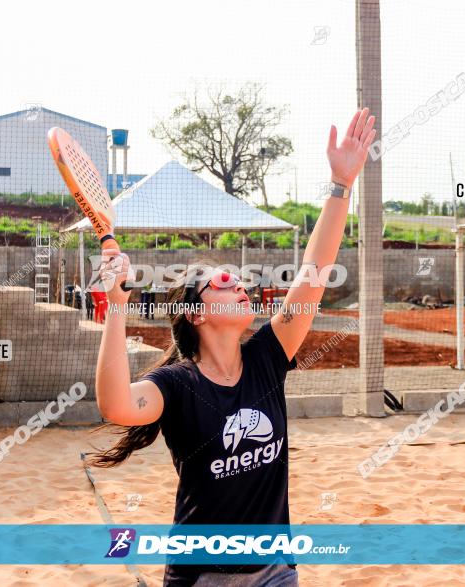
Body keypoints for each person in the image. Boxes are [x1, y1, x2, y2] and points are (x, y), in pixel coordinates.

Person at [88, 109, 377, 586]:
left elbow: (314, 272)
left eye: (237, 278)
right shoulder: (176, 385)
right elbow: (116, 404)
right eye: (222, 282)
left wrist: (341, 184)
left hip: (274, 571)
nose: (238, 283)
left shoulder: (267, 355)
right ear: (197, 314)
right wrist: (116, 306)